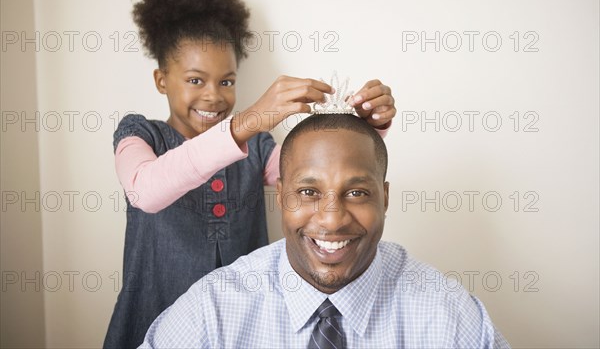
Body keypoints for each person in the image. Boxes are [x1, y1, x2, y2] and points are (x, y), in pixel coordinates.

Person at [104, 0, 397, 348]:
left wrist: (368, 130)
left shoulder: (256, 148)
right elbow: (146, 191)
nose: (214, 95)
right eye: (196, 80)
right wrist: (248, 121)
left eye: (226, 81)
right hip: (152, 318)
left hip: (239, 323)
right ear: (161, 80)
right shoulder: (140, 134)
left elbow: (314, 181)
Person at [139, 114, 510, 348]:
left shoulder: (448, 316)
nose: (332, 220)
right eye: (308, 192)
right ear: (281, 195)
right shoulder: (212, 312)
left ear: (384, 197)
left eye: (357, 192)